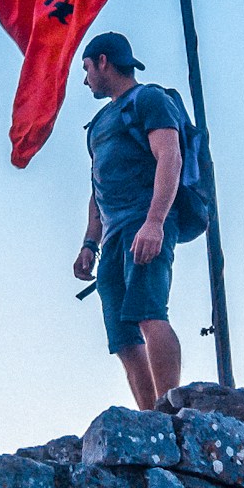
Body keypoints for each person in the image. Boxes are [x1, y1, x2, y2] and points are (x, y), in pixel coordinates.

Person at [72, 31, 184, 409]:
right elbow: (97, 187)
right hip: (114, 238)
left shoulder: (149, 99)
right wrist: (90, 243)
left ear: (103, 61)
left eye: (86, 68)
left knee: (150, 314)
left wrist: (155, 222)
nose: (85, 79)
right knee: (122, 339)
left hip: (144, 222)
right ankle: (150, 418)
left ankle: (170, 413)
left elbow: (170, 156)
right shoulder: (99, 124)